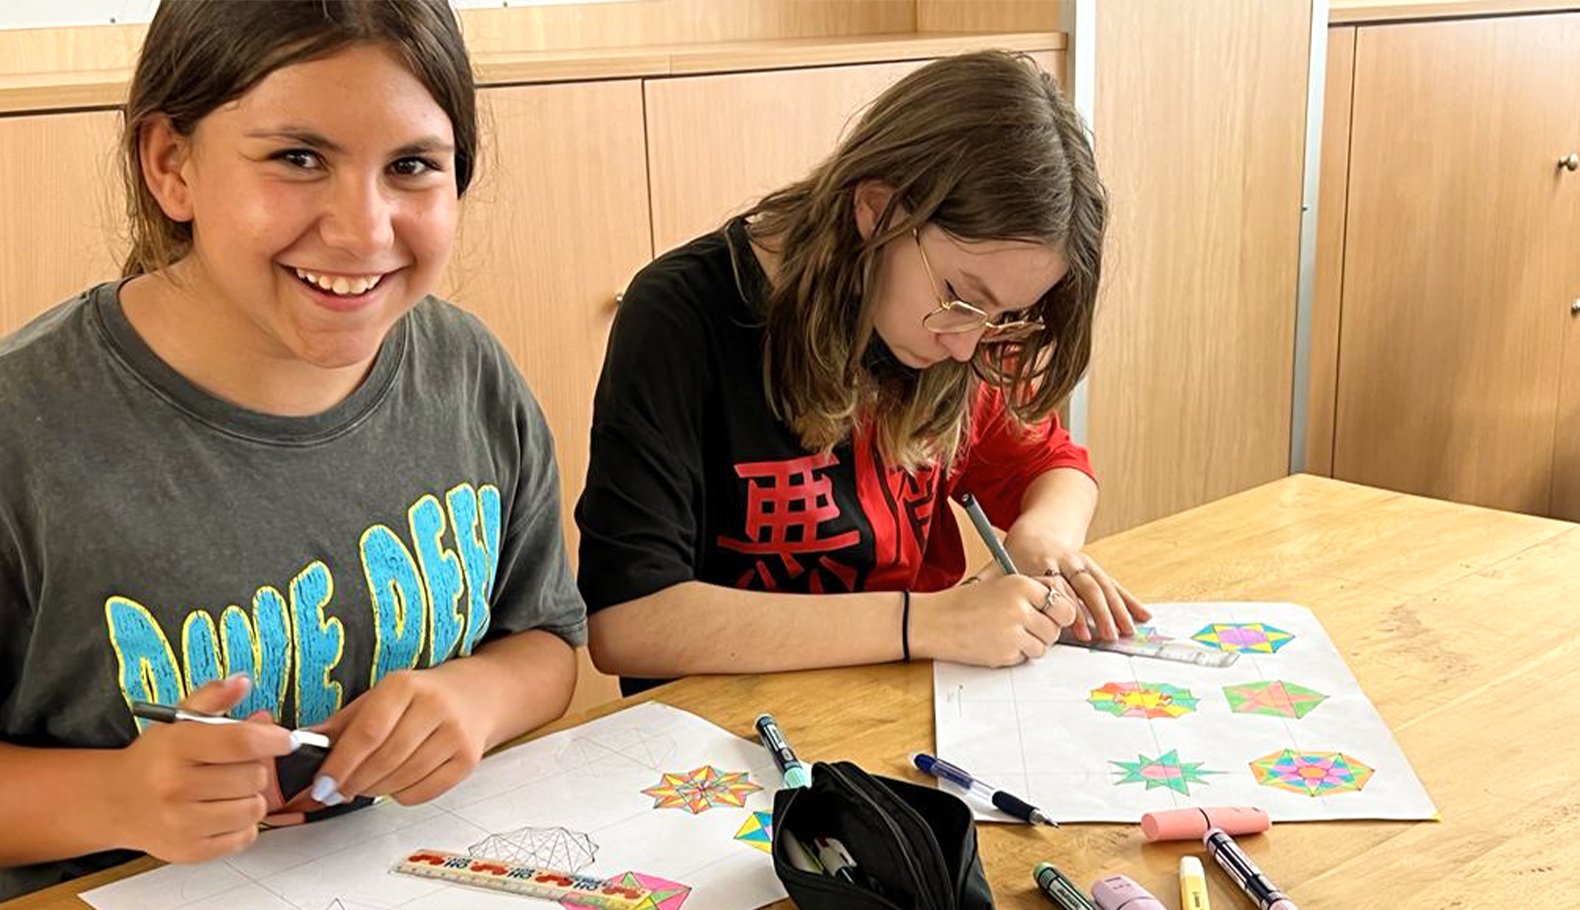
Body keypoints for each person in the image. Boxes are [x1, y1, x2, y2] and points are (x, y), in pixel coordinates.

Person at [0, 1, 585, 899]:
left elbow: (544, 642)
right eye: (298, 158)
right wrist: (114, 795)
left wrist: (477, 697)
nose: (363, 230)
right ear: (172, 165)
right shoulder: (22, 428)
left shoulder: (467, 369)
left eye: (412, 166)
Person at [577, 51, 1150, 696]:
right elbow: (629, 621)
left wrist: (1045, 538)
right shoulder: (682, 315)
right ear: (878, 211)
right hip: (724, 737)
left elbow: (1056, 467)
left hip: (894, 707)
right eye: (963, 296)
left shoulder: (944, 328)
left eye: (1001, 315)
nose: (967, 347)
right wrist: (922, 622)